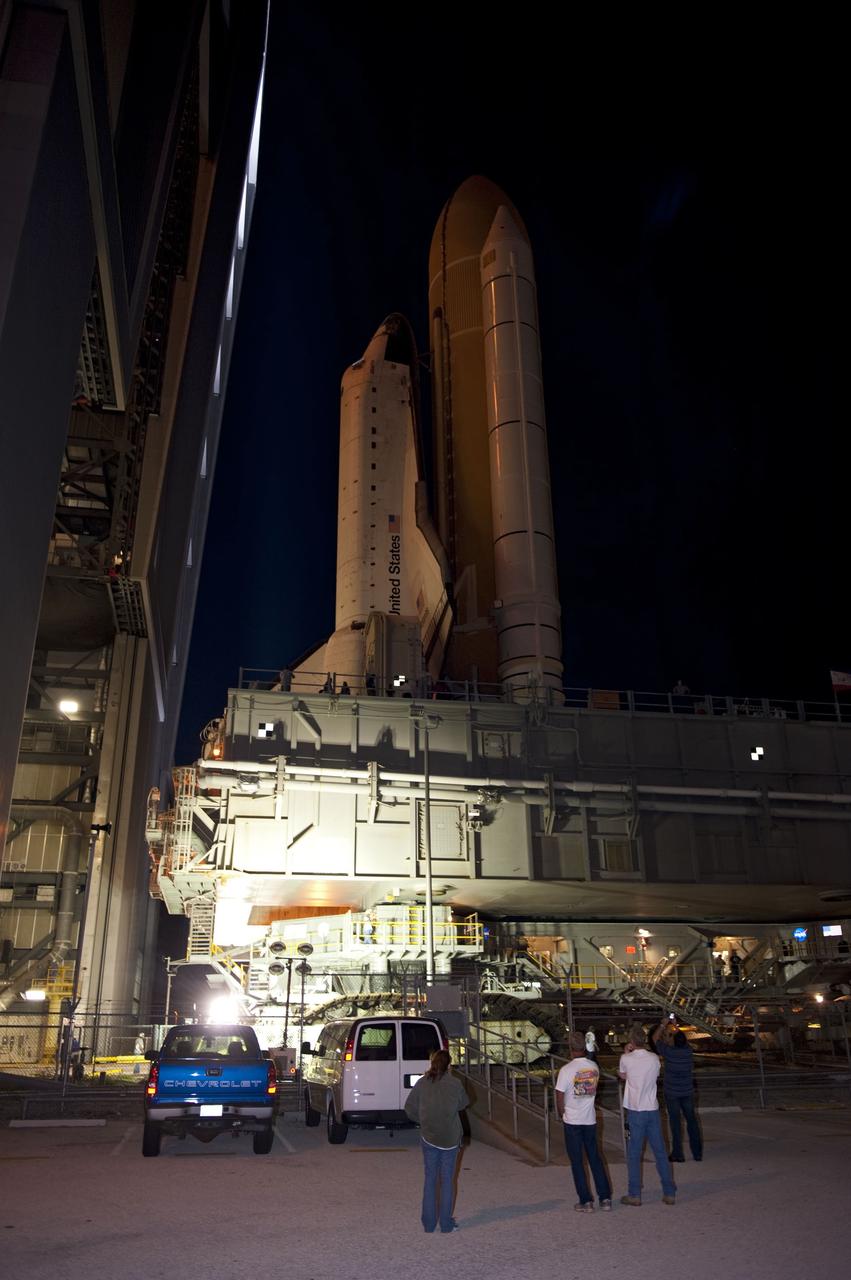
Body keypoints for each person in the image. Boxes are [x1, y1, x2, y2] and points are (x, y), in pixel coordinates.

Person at [404, 1049, 470, 1233]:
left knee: (430, 1178)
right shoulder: (455, 1083)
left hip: (429, 1136)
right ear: (449, 1065)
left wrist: (423, 1120)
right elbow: (464, 1103)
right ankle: (446, 1225)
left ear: (432, 1063)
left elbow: (409, 1108)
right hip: (450, 1138)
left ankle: (429, 1224)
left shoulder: (422, 1083)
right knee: (448, 1180)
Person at [618, 1023, 676, 1206]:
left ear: (631, 1041)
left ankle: (634, 1193)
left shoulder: (626, 1058)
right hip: (652, 1109)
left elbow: (623, 1075)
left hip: (635, 1110)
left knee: (634, 1153)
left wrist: (627, 1053)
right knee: (660, 1152)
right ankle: (669, 1192)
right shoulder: (654, 1058)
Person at [556, 1030, 612, 1212]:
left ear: (570, 1048)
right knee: (595, 1158)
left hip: (572, 1120)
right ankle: (605, 1199)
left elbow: (559, 1097)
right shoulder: (594, 1068)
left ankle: (585, 1201)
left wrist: (561, 1114)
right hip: (589, 1119)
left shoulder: (566, 1070)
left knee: (577, 1161)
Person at [652, 1020, 703, 1163]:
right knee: (692, 1122)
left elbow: (655, 1039)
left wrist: (663, 1024)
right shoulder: (688, 1051)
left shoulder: (669, 1052)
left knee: (675, 1124)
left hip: (672, 1093)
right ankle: (697, 1153)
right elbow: (681, 1040)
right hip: (687, 1092)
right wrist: (676, 1027)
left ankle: (678, 1154)